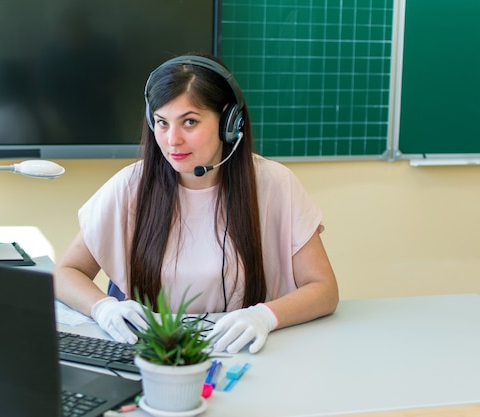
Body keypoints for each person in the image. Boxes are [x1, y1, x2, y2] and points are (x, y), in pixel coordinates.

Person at [53, 53, 339, 354]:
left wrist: (265, 316)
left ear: (229, 123)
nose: (172, 140)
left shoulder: (275, 183)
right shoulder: (130, 185)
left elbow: (323, 289)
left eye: (189, 122)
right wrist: (102, 308)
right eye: (162, 123)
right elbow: (65, 272)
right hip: (153, 357)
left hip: (243, 353)